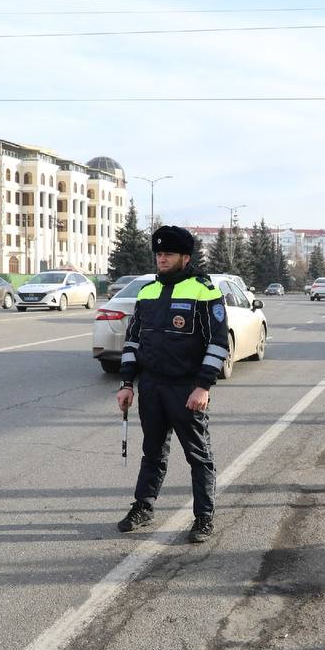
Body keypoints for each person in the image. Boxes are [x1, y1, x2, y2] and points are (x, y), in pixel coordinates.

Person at [116, 225, 231, 544]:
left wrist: (203, 386)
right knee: (151, 451)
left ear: (185, 257)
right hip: (152, 386)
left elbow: (218, 342)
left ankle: (204, 517)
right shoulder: (147, 292)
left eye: (167, 254)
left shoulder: (203, 290)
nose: (161, 259)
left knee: (198, 455)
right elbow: (133, 341)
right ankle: (143, 507)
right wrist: (127, 383)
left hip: (186, 388)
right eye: (158, 254)